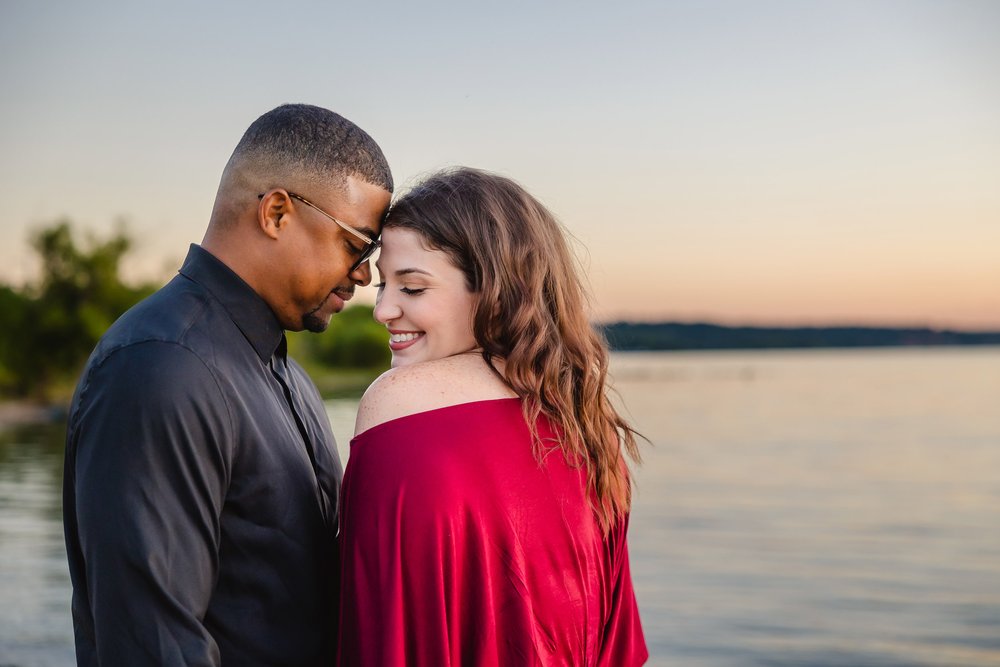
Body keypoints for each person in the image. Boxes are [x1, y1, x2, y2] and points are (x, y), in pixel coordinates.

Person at [62, 104, 393, 665]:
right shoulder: (161, 367)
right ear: (278, 213)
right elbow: (154, 644)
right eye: (357, 244)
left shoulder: (287, 375)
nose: (364, 273)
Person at [338, 167, 648, 665]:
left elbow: (376, 634)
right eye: (382, 286)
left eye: (412, 289)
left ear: (496, 292)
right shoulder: (591, 426)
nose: (382, 310)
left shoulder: (399, 402)